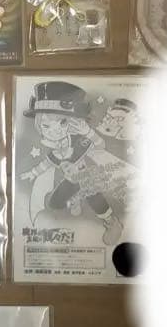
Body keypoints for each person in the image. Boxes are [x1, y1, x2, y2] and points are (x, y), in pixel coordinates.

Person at [19, 81, 125, 245]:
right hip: (71, 180)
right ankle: (75, 199)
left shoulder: (79, 141)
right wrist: (32, 173)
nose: (54, 131)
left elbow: (101, 145)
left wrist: (88, 132)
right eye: (46, 126)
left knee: (94, 197)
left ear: (71, 122)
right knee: (54, 203)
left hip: (86, 177)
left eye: (62, 123)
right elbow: (46, 163)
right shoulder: (56, 151)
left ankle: (112, 222)